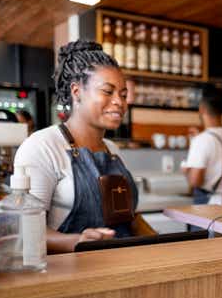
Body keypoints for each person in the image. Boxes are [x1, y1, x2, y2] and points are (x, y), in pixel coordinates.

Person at [15, 40, 149, 253]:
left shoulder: (112, 150)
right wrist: (77, 242)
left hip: (122, 266)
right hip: (70, 274)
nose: (119, 102)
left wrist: (163, 242)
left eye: (123, 95)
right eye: (108, 91)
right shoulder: (42, 147)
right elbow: (26, 230)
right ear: (76, 91)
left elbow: (128, 219)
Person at [181, 86, 222, 204]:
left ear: (202, 109)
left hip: (208, 206)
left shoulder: (201, 140)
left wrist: (186, 170)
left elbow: (195, 181)